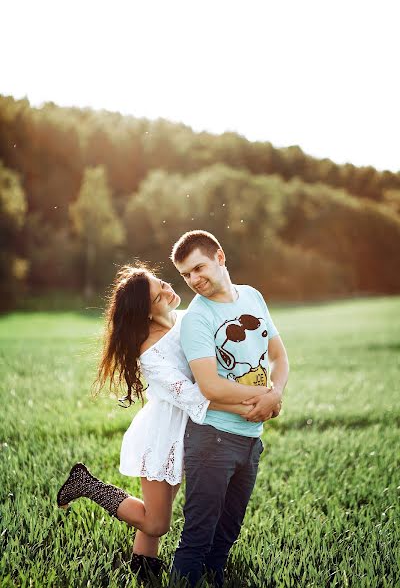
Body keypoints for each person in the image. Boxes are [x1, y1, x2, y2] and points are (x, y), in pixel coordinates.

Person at [56, 264, 271, 581]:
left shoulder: (186, 320)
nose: (170, 290)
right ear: (145, 311)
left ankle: (143, 569)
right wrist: (246, 405)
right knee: (157, 522)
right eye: (160, 295)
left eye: (164, 283)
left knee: (158, 511)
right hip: (162, 437)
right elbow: (192, 395)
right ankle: (88, 485)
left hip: (194, 432)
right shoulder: (150, 353)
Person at [170, 230, 289, 587]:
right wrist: (264, 399)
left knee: (226, 537)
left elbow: (279, 356)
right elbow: (210, 385)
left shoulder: (252, 297)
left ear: (220, 257)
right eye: (186, 275)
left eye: (199, 268)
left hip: (251, 437)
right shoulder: (196, 318)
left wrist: (277, 392)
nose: (194, 280)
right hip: (212, 440)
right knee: (197, 540)